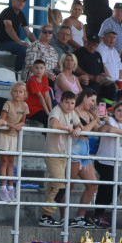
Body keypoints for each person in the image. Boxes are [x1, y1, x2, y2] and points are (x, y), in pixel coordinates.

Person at [38, 90, 81, 227]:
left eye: (72, 103)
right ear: (61, 102)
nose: (69, 105)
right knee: (59, 185)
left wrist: (78, 129)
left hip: (64, 154)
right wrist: (68, 129)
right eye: (66, 102)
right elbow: (54, 125)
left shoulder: (72, 113)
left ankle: (47, 215)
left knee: (54, 186)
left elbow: (79, 124)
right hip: (53, 153)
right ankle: (46, 215)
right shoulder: (56, 110)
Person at [67, 87, 100, 228]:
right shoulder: (74, 111)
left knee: (93, 185)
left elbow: (99, 130)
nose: (93, 103)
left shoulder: (90, 114)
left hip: (85, 150)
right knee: (69, 185)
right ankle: (63, 217)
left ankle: (79, 217)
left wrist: (104, 120)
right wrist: (96, 119)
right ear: (85, 97)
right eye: (92, 100)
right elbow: (84, 130)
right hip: (74, 148)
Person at [0, 81, 27, 202]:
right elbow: (2, 119)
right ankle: (2, 187)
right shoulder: (8, 103)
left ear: (24, 94)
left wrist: (17, 126)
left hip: (14, 136)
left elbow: (23, 121)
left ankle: (11, 186)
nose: (18, 94)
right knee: (4, 161)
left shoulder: (24, 106)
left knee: (11, 162)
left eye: (21, 92)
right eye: (16, 91)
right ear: (12, 93)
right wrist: (12, 126)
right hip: (4, 134)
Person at [91, 99, 122, 228]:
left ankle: (98, 215)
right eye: (119, 110)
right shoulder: (110, 120)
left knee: (109, 188)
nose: (121, 113)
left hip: (116, 163)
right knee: (109, 188)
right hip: (104, 161)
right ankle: (97, 215)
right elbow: (108, 129)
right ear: (114, 111)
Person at [0, 0, 35, 72]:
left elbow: (28, 33)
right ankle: (18, 72)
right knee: (23, 49)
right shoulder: (7, 12)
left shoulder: (21, 15)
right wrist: (19, 42)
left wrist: (37, 44)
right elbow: (8, 27)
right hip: (2, 43)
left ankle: (28, 73)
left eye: (23, 2)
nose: (21, 3)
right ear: (12, 0)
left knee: (32, 49)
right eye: (19, 1)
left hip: (13, 43)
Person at [75, 35, 119, 104]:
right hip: (85, 80)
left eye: (95, 45)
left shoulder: (97, 55)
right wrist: (92, 77)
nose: (92, 47)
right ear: (86, 42)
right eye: (90, 44)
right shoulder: (79, 52)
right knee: (95, 85)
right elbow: (76, 68)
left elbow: (102, 71)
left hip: (98, 80)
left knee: (111, 86)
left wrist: (105, 79)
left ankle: (106, 108)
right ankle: (94, 106)